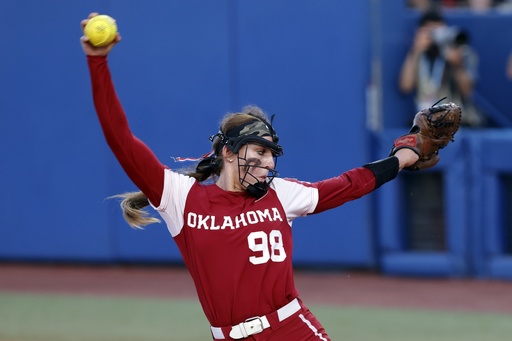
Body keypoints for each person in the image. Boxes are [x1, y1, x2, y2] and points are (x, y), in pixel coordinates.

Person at [81, 12, 420, 341]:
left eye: (271, 155)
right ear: (228, 152)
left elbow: (347, 186)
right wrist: (98, 63)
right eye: (258, 152)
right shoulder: (181, 197)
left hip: (292, 330)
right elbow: (120, 138)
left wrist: (403, 158)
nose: (267, 163)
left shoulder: (281, 194)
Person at [399, 9, 484, 126]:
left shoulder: (463, 53)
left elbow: (467, 91)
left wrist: (458, 65)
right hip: (426, 122)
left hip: (457, 122)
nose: (435, 36)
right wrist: (415, 51)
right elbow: (405, 86)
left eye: (439, 30)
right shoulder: (418, 54)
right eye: (430, 31)